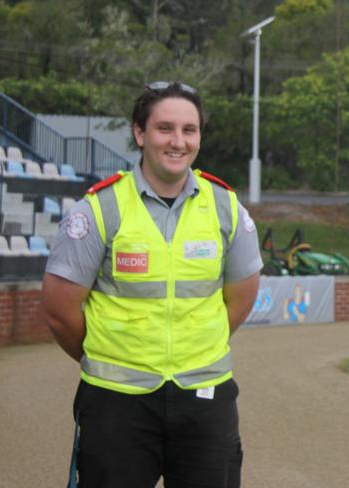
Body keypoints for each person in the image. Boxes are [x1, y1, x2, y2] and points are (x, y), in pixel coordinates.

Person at [40, 81, 263, 488]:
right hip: (116, 401)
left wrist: (189, 348)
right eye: (165, 129)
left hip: (204, 397)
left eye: (189, 130)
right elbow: (59, 311)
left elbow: (241, 298)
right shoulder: (99, 209)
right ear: (140, 134)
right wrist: (109, 353)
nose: (178, 141)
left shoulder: (225, 206)